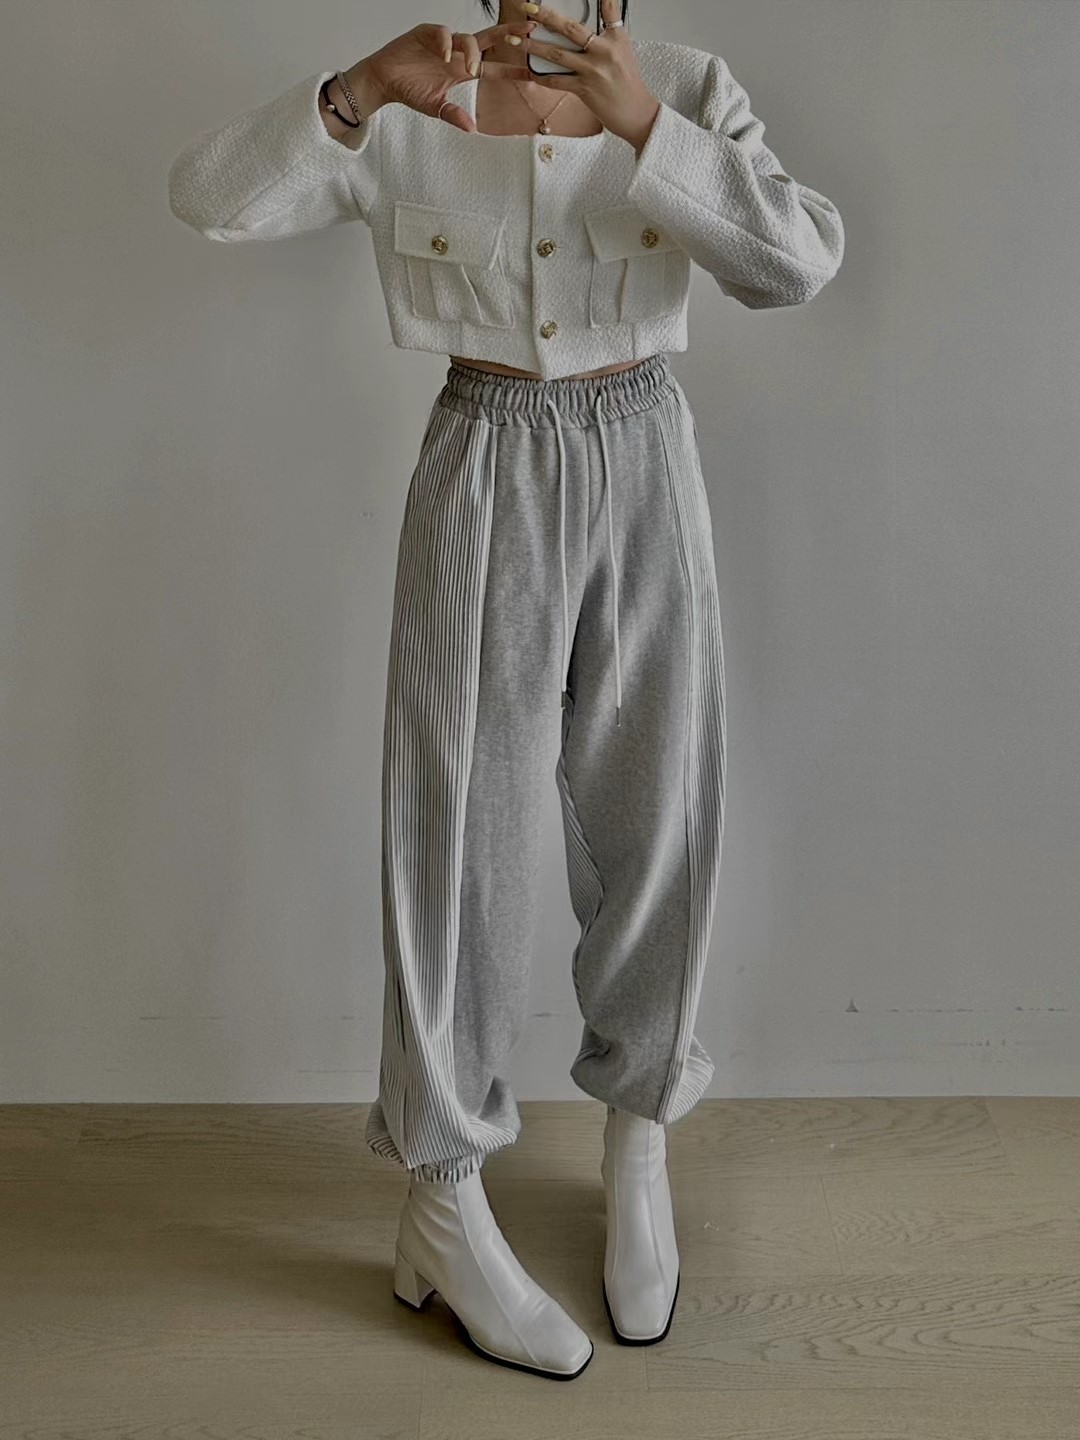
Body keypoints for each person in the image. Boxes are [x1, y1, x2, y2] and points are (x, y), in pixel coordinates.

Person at [167, 0, 844, 1381]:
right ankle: (441, 1195)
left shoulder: (686, 85)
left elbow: (799, 261)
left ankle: (639, 1138)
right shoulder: (421, 96)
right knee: (456, 836)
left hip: (646, 453)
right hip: (484, 457)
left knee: (659, 810)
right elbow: (210, 200)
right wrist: (359, 90)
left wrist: (647, 126)